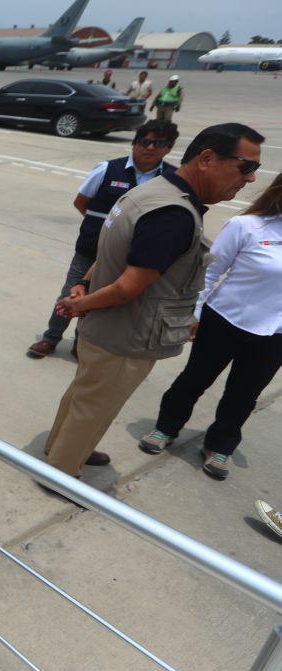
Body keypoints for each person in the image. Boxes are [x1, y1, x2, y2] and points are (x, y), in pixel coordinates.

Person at [43, 123, 263, 482]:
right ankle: (61, 472)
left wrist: (83, 286)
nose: (250, 179)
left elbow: (114, 254)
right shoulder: (173, 214)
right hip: (126, 333)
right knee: (95, 406)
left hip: (107, 328)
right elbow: (129, 287)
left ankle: (64, 448)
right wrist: (79, 304)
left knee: (83, 397)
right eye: (246, 167)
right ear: (207, 159)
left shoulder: (153, 190)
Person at [138, 170, 280, 479]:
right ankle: (166, 427)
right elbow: (209, 273)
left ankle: (221, 445)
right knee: (195, 379)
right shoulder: (248, 227)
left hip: (274, 336)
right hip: (224, 320)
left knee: (244, 395)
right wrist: (195, 313)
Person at [28, 120, 179, 359]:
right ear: (135, 142)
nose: (150, 147)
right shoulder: (107, 169)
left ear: (168, 148)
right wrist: (107, 231)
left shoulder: (171, 179)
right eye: (145, 141)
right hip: (90, 250)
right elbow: (81, 202)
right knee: (70, 294)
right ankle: (50, 338)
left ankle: (81, 343)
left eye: (158, 143)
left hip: (131, 259)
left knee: (99, 301)